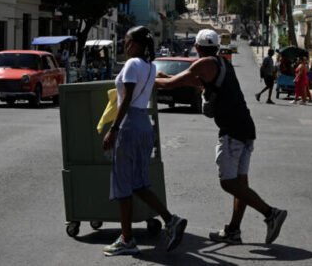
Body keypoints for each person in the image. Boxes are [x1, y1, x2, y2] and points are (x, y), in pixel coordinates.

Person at [155, 29, 287, 246]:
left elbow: (173, 84)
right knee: (241, 184)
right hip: (246, 128)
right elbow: (191, 82)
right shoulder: (222, 64)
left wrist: (149, 80)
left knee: (228, 183)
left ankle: (270, 213)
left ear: (197, 47)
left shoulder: (203, 64)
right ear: (216, 47)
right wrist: (166, 78)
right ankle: (234, 230)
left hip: (232, 131)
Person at [101, 26, 187, 256]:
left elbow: (127, 97)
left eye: (128, 42)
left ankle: (127, 239)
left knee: (122, 183)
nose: (125, 46)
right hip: (143, 125)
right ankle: (171, 220)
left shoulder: (131, 64)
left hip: (128, 124)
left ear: (137, 44)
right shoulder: (150, 66)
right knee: (138, 183)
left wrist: (114, 129)